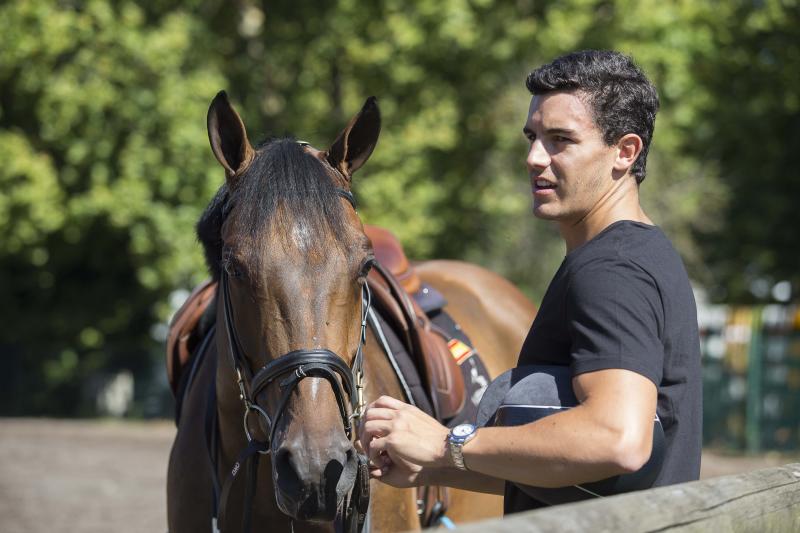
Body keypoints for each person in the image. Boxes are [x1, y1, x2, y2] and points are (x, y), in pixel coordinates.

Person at [359, 49, 702, 513]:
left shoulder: (611, 270)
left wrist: (448, 443)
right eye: (532, 136)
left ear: (625, 152)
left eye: (561, 139)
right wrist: (434, 469)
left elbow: (618, 441)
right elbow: (598, 479)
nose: (534, 157)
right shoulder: (636, 252)